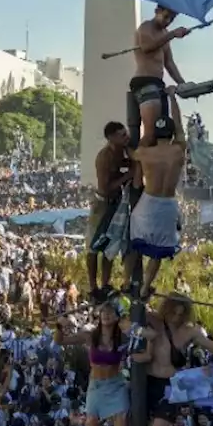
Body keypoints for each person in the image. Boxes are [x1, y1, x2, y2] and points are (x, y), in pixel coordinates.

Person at [138, 296, 213, 426]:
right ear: (166, 309)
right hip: (147, 383)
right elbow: (130, 315)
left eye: (181, 314)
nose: (176, 318)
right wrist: (143, 296)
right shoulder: (154, 320)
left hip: (171, 387)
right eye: (173, 313)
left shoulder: (190, 330)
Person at [128, 96, 186, 297]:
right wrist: (173, 97)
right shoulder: (179, 150)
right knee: (159, 251)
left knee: (134, 238)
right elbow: (179, 125)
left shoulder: (144, 153)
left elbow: (132, 153)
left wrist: (145, 136)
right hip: (168, 203)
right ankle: (145, 287)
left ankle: (130, 279)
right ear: (171, 135)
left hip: (148, 202)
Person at [52, 304, 130, 426]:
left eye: (110, 312)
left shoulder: (123, 338)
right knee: (92, 422)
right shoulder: (90, 335)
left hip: (116, 385)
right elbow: (60, 341)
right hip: (96, 386)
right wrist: (59, 326)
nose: (106, 314)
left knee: (122, 420)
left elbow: (133, 329)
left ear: (117, 317)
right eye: (103, 311)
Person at [132, 5, 189, 147]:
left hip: (158, 83)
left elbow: (169, 63)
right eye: (166, 16)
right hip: (145, 82)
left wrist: (182, 83)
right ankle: (138, 167)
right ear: (157, 11)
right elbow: (147, 47)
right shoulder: (145, 27)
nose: (168, 21)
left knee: (161, 134)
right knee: (150, 133)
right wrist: (172, 35)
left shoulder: (165, 34)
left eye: (172, 18)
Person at [87, 122, 131, 302]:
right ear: (111, 138)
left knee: (109, 247)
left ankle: (105, 284)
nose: (126, 137)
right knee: (93, 248)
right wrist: (127, 176)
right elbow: (105, 187)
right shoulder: (104, 157)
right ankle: (93, 287)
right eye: (122, 135)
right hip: (102, 204)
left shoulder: (121, 151)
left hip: (115, 203)